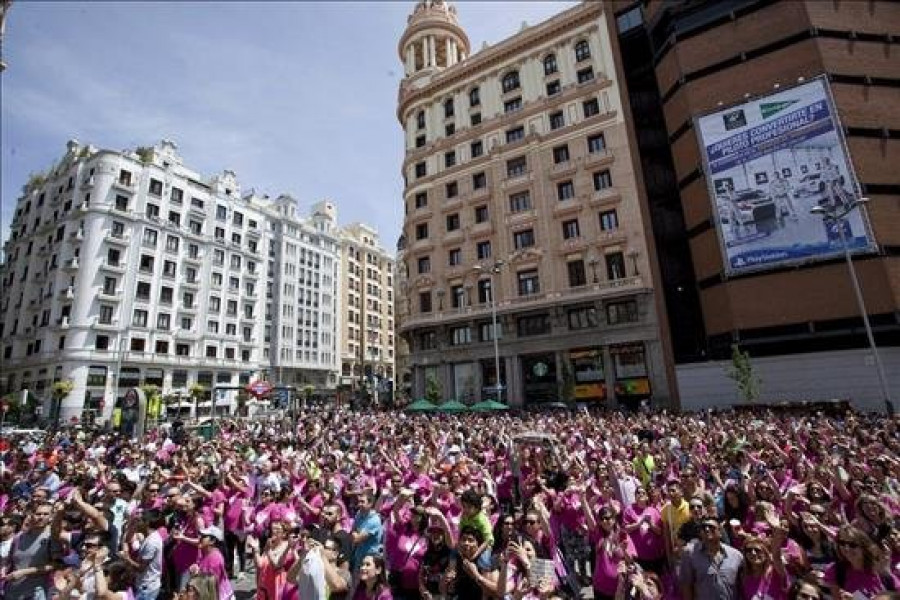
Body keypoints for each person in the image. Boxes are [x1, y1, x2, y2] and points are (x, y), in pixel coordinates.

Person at [824, 525, 899, 599]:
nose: (846, 548)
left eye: (852, 545)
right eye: (842, 543)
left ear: (864, 547)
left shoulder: (879, 569)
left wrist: (887, 573)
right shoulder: (836, 571)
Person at [679, 518, 743, 600]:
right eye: (703, 527)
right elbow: (686, 585)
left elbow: (743, 585)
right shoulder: (690, 554)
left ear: (720, 532)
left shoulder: (736, 556)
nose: (707, 529)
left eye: (711, 526)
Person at [5, 500, 54, 600]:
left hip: (36, 592)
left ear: (51, 516)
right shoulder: (19, 537)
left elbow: (55, 565)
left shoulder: (53, 538)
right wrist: (3, 570)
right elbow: (10, 561)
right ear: (32, 515)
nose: (41, 517)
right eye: (38, 514)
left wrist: (25, 572)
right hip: (13, 591)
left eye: (45, 514)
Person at [351, 491, 384, 571]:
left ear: (370, 503)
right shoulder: (359, 514)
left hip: (370, 559)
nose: (359, 504)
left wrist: (355, 534)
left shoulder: (374, 520)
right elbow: (352, 530)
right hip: (358, 556)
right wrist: (355, 533)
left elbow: (356, 539)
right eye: (359, 502)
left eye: (362, 502)